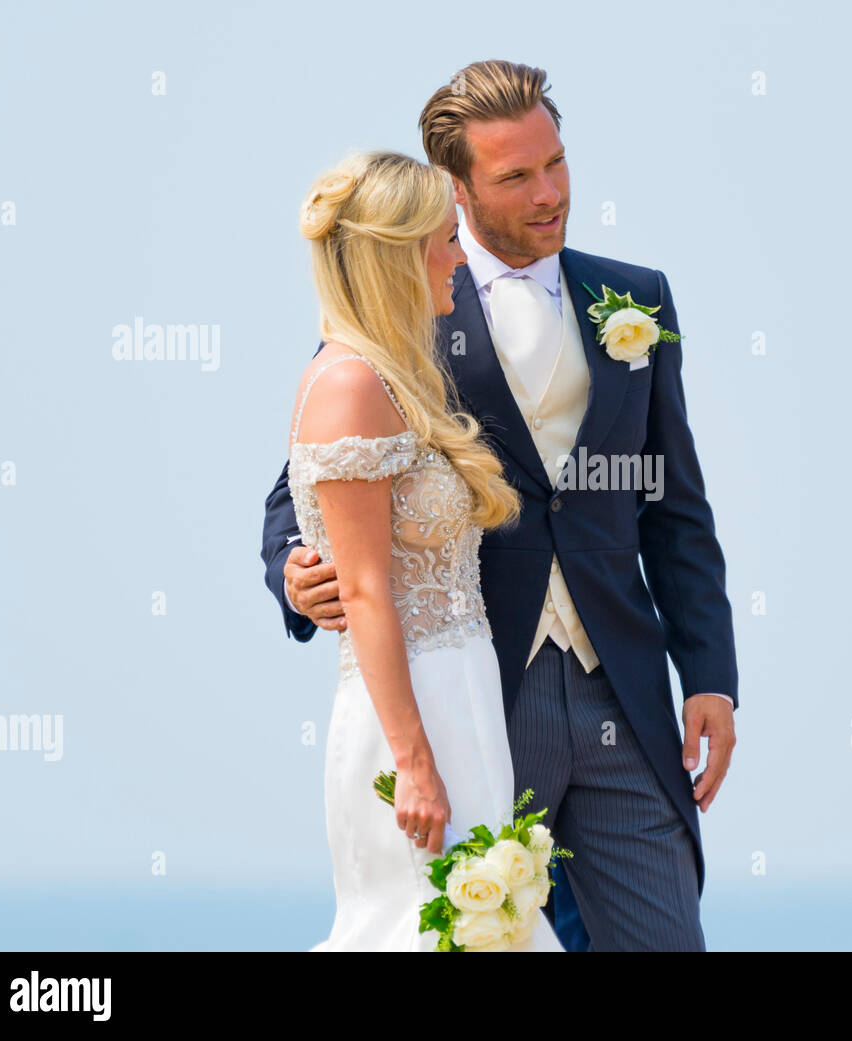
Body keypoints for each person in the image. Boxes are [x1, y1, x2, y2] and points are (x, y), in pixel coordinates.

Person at [264, 61, 738, 951]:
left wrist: (708, 671)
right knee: (487, 930)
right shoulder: (398, 311)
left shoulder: (635, 299)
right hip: (480, 686)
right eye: (516, 176)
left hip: (622, 685)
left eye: (555, 163)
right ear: (459, 185)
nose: (550, 192)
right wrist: (296, 571)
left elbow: (674, 504)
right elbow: (311, 475)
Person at [287, 150, 563, 951]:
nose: (459, 258)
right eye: (447, 239)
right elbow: (368, 590)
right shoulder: (351, 386)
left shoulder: (399, 376)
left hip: (464, 697)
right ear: (401, 254)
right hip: (409, 714)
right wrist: (412, 760)